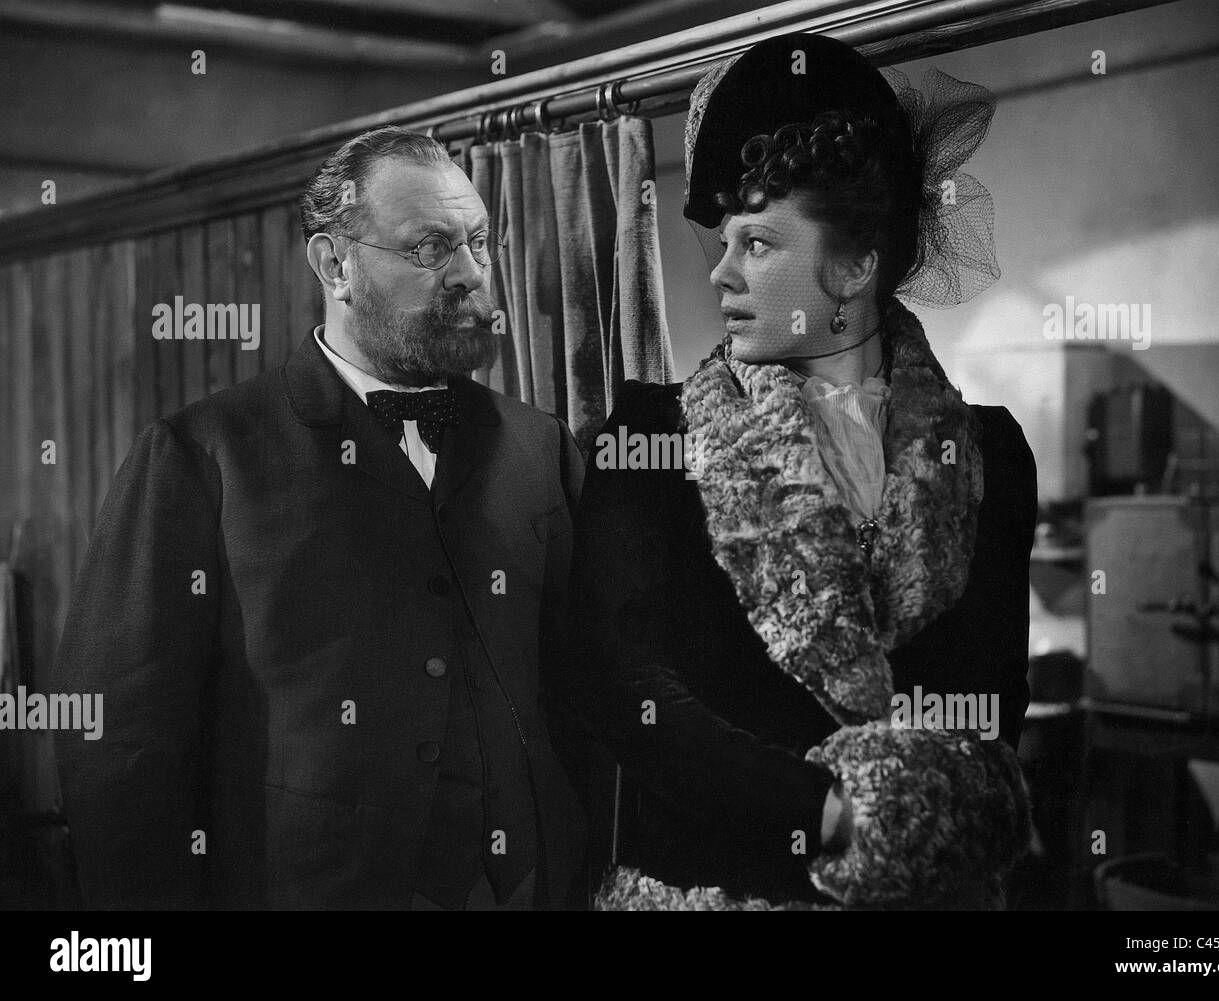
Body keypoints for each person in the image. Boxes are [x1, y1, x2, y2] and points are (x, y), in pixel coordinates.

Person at [53, 126, 586, 910]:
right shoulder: (201, 456)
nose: (474, 275)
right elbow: (122, 752)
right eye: (432, 248)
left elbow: (589, 691)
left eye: (479, 241)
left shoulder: (542, 448)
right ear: (334, 264)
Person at [563, 33, 1037, 909]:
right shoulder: (647, 440)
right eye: (724, 239)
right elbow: (619, 685)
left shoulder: (989, 452)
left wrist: (914, 809)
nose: (722, 273)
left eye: (758, 243)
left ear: (856, 265)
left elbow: (993, 703)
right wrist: (818, 809)